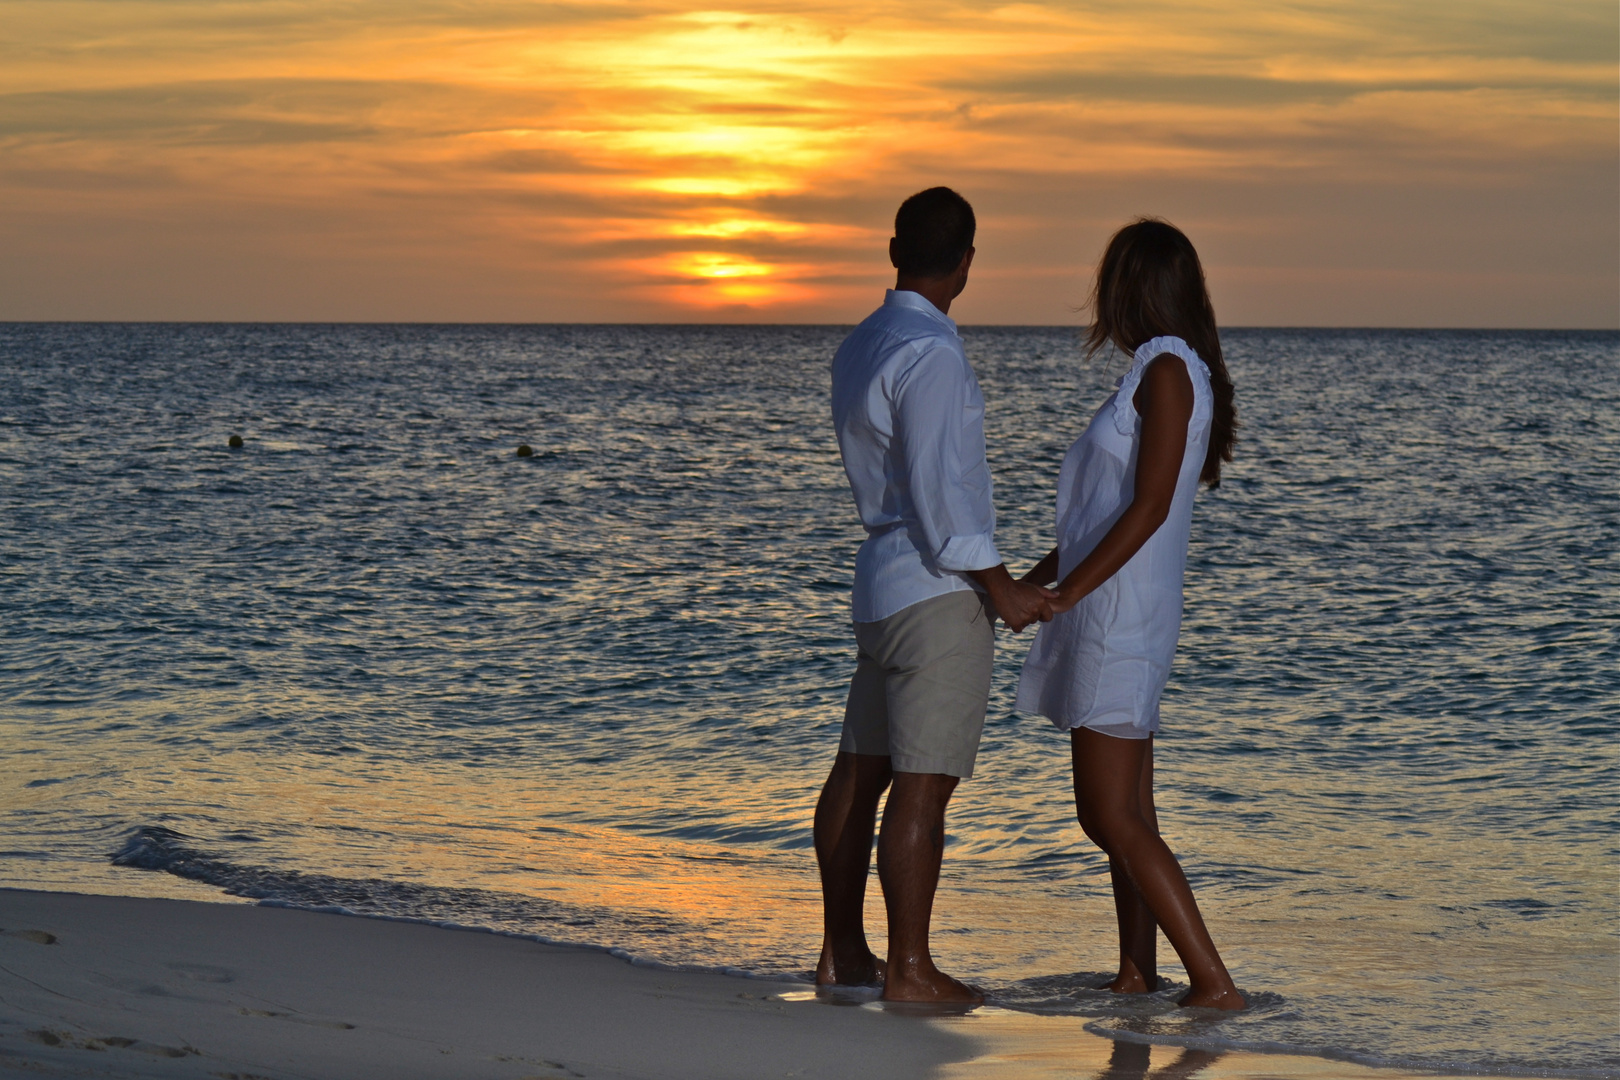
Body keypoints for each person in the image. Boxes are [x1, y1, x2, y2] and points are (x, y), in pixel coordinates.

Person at [814, 186, 1056, 1003]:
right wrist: (1003, 589)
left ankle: (846, 953)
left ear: (892, 252)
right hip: (934, 591)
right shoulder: (934, 353)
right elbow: (941, 492)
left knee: (858, 772)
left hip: (880, 586)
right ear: (968, 262)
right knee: (923, 785)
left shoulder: (862, 343)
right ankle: (910, 970)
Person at [1016, 218, 1245, 1010]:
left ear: (1129, 289)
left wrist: (1068, 594)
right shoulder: (1163, 370)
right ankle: (1137, 972)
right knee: (1130, 812)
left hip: (1120, 611)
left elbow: (1147, 506)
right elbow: (1095, 519)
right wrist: (1025, 585)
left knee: (1107, 813)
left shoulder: (1169, 370)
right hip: (1115, 602)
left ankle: (1213, 982)